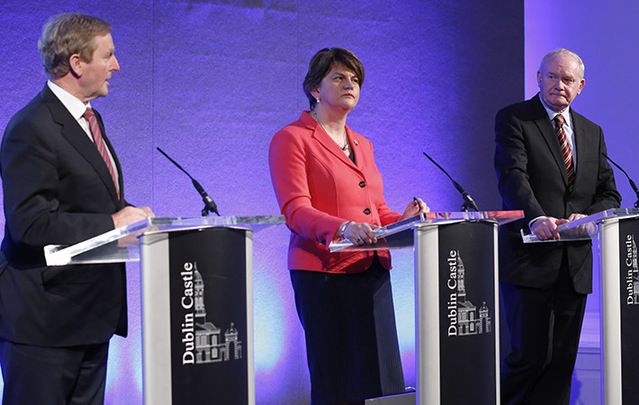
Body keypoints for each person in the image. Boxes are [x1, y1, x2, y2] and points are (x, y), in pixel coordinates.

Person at [0, 13, 152, 404]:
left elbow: (91, 199)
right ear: (76, 62)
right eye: (109, 55)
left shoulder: (90, 118)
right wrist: (111, 222)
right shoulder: (30, 128)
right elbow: (29, 224)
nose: (116, 66)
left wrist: (130, 216)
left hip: (89, 316)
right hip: (44, 323)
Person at [269, 47, 428, 405]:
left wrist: (406, 220)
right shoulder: (292, 138)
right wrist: (342, 227)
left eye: (355, 79)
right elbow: (296, 210)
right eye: (338, 77)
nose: (349, 85)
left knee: (380, 379)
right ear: (314, 88)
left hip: (372, 271)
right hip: (325, 274)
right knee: (337, 379)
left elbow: (377, 211)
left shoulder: (363, 144)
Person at [494, 48, 621, 404]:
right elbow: (512, 176)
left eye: (567, 80)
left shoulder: (592, 132)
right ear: (538, 78)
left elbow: (609, 192)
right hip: (529, 261)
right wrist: (536, 216)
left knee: (561, 363)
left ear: (581, 86)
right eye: (551, 76)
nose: (558, 85)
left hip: (574, 266)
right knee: (529, 359)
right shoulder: (515, 119)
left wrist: (589, 219)